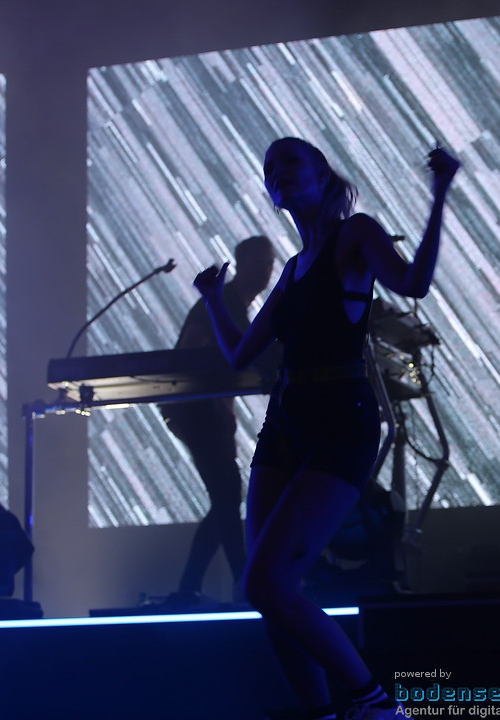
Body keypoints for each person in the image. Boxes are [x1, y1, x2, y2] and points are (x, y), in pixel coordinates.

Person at [193, 137, 460, 720]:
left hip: (342, 420)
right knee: (270, 595)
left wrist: (439, 196)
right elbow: (241, 353)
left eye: (290, 163)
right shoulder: (291, 270)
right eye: (271, 170)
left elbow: (412, 282)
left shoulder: (355, 233)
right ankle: (324, 715)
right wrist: (214, 297)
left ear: (321, 176)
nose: (279, 173)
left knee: (266, 584)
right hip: (286, 423)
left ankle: (376, 704)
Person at [159, 235, 276, 608]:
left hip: (205, 413)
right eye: (259, 264)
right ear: (241, 265)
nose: (265, 273)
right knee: (228, 493)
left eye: (268, 265)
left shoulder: (236, 309)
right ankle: (244, 579)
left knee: (227, 495)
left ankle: (193, 585)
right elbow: (192, 353)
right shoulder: (224, 303)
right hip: (198, 412)